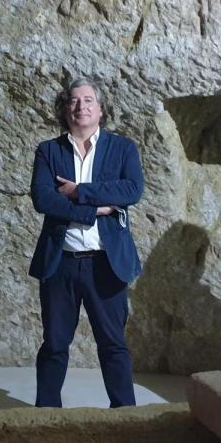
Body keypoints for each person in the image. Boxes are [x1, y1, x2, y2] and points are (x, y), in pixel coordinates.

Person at [29, 78, 143, 408]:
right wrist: (98, 209)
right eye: (74, 101)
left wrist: (79, 191)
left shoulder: (123, 149)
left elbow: (131, 191)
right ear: (65, 109)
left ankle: (126, 416)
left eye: (89, 100)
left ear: (101, 109)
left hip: (106, 263)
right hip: (60, 262)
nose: (82, 106)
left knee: (113, 344)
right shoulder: (48, 150)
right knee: (54, 344)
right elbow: (43, 198)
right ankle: (45, 417)